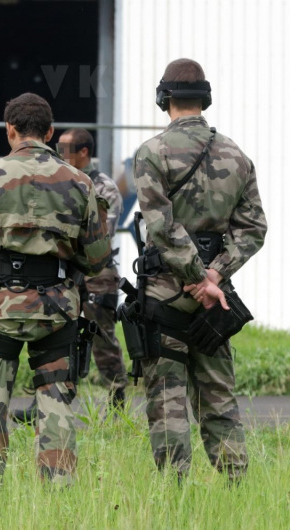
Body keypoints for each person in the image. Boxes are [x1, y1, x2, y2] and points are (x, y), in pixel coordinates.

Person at [0, 93, 110, 486]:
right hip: (57, 309)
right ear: (50, 133)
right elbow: (97, 258)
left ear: (9, 131)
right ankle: (59, 490)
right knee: (57, 405)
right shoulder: (80, 181)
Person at [131, 58, 266, 482]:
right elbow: (254, 229)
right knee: (219, 397)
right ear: (205, 99)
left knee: (168, 400)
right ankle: (236, 488)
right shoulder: (237, 155)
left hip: (166, 295)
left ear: (163, 99)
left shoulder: (151, 153)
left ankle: (176, 494)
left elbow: (162, 225)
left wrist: (194, 278)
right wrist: (215, 275)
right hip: (214, 298)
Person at [13, 127, 126, 424]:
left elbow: (101, 236)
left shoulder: (104, 188)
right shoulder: (55, 181)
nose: (57, 153)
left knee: (103, 342)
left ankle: (117, 408)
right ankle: (45, 405)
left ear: (84, 152)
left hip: (96, 276)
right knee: (54, 340)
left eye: (64, 149)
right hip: (62, 274)